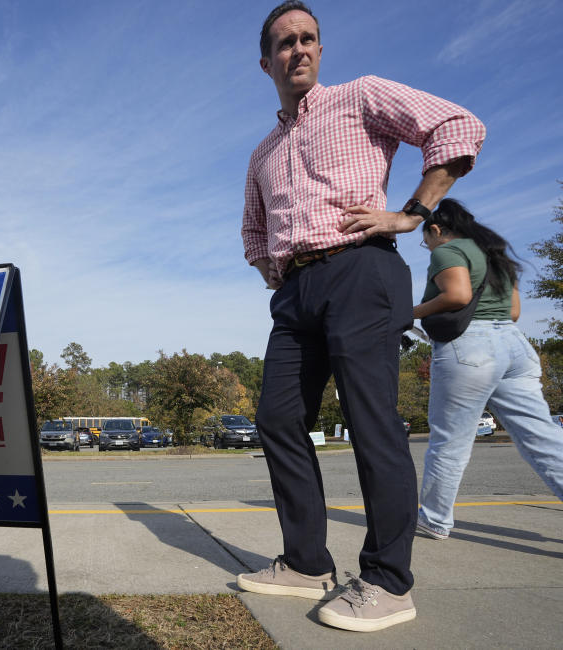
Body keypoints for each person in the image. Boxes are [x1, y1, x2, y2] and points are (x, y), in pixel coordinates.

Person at [233, 1, 485, 633]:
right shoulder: (262, 152)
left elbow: (457, 125)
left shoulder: (360, 98)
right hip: (295, 292)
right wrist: (271, 266)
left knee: (371, 421)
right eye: (285, 44)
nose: (299, 50)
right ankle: (306, 562)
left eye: (309, 39)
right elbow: (253, 230)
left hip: (361, 270)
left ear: (320, 49)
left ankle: (388, 581)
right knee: (278, 418)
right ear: (266, 62)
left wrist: (413, 213)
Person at [413, 199, 563, 539]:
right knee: (542, 436)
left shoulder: (448, 250)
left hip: (471, 349)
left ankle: (435, 519)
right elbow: (513, 312)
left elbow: (459, 295)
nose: (429, 247)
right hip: (514, 347)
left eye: (427, 240)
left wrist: (411, 312)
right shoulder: (496, 254)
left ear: (437, 229)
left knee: (450, 441)